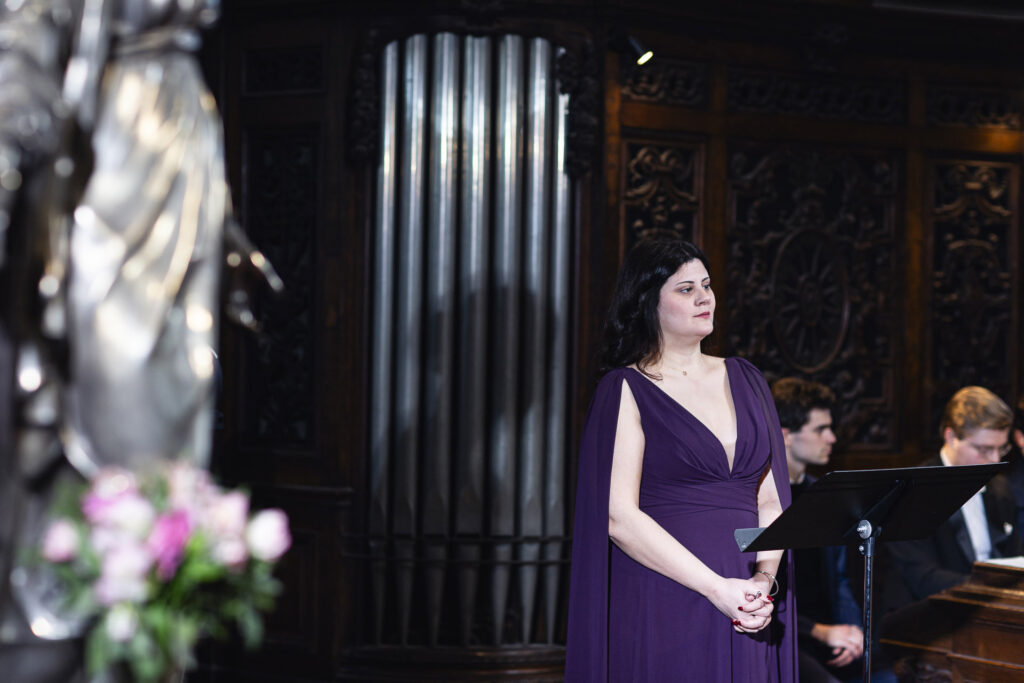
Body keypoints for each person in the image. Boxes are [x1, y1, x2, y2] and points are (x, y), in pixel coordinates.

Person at [565, 238, 797, 681]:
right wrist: (716, 589)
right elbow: (618, 517)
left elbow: (770, 502)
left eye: (706, 285)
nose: (704, 297)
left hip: (749, 597)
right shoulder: (625, 388)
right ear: (647, 303)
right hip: (667, 591)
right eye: (686, 289)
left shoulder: (747, 378)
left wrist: (764, 582)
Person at [772, 378, 897, 683]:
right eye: (821, 429)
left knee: (885, 676)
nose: (832, 438)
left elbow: (839, 579)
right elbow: (764, 593)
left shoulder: (825, 494)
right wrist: (820, 631)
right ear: (785, 436)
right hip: (782, 635)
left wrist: (853, 632)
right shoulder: (762, 499)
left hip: (828, 634)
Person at [885, 386, 1024, 604]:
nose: (995, 459)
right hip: (929, 614)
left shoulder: (1000, 488)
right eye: (984, 449)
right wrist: (988, 588)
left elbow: (1013, 558)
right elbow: (923, 577)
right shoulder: (912, 492)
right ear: (950, 437)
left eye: (1002, 449)